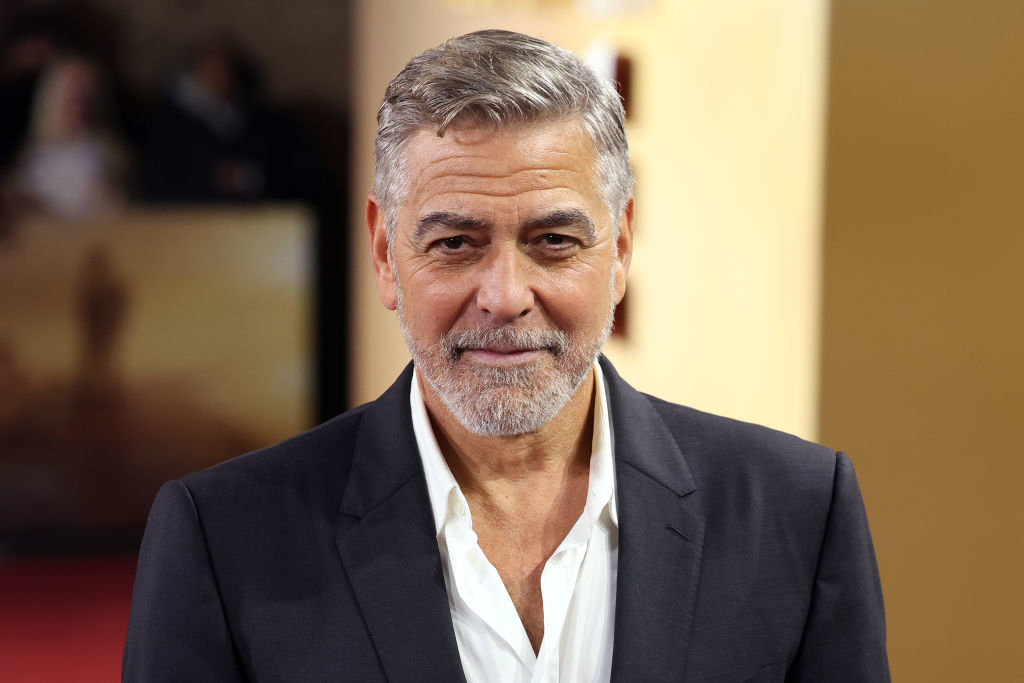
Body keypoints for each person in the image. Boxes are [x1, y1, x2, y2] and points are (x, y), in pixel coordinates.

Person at [123, 30, 889, 682]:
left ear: (619, 249)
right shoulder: (223, 540)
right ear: (385, 254)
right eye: (456, 243)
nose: (505, 295)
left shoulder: (798, 511)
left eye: (553, 242)